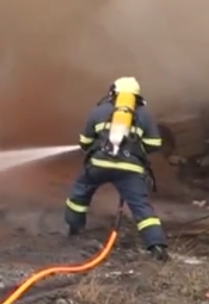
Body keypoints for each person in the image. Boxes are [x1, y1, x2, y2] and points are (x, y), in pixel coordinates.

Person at [64, 77, 169, 262]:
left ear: (113, 93)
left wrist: (98, 146)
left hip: (99, 165)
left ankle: (75, 230)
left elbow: (85, 142)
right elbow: (154, 144)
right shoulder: (144, 114)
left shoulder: (99, 111)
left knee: (80, 193)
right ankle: (157, 246)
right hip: (130, 169)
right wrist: (136, 150)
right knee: (141, 206)